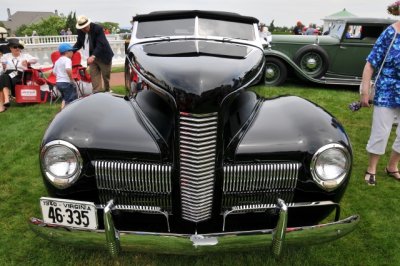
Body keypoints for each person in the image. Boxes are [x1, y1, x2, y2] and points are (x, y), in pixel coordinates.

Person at [360, 1, 400, 185]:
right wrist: (365, 92)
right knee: (381, 131)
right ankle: (372, 168)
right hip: (387, 91)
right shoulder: (390, 33)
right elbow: (370, 64)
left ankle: (392, 167)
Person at [73, 15, 114, 93]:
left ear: (89, 24)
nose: (84, 30)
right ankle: (97, 93)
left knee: (106, 76)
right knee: (94, 75)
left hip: (103, 55)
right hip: (91, 57)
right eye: (82, 28)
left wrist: (93, 56)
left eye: (85, 27)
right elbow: (79, 43)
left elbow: (100, 44)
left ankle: (107, 90)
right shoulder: (80, 30)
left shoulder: (97, 28)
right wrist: (71, 51)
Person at [0, 38, 37, 112]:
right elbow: (2, 64)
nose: (17, 48)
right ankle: (5, 102)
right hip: (8, 75)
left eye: (18, 47)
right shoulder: (6, 56)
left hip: (20, 75)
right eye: (15, 47)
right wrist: (3, 66)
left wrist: (28, 61)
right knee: (3, 77)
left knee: (2, 78)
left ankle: (4, 103)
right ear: (10, 48)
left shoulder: (25, 56)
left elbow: (36, 59)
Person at [53, 43, 78, 109]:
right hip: (66, 82)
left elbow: (54, 72)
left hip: (58, 83)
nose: (73, 52)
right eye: (71, 51)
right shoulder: (67, 60)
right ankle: (69, 112)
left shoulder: (57, 61)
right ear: (67, 52)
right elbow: (68, 69)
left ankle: (62, 111)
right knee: (71, 99)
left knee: (64, 98)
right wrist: (71, 79)